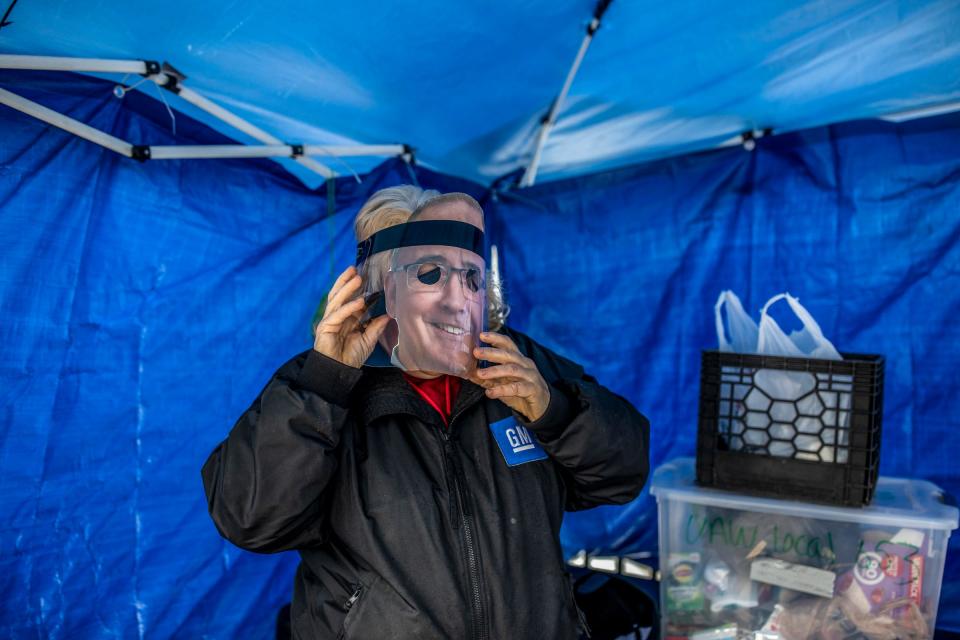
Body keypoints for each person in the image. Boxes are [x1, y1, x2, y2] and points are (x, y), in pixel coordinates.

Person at [202, 186, 650, 640]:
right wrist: (325, 382)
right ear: (378, 288)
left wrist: (553, 411)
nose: (455, 298)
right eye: (429, 274)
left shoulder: (520, 363)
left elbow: (623, 473)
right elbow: (250, 520)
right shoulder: (320, 384)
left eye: (469, 278)